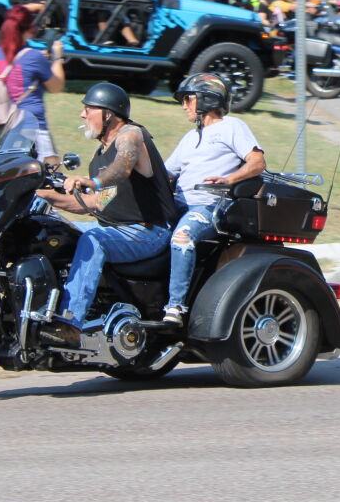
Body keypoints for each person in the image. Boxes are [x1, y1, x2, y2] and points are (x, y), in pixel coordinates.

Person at [36, 82, 178, 330]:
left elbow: (122, 167)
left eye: (88, 109)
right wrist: (43, 195)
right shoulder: (99, 158)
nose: (82, 114)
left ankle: (70, 322)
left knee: (95, 240)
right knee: (51, 229)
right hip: (119, 230)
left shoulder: (131, 135)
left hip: (148, 232)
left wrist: (91, 181)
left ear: (108, 114)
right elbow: (94, 203)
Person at [159, 73, 266, 325]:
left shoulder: (232, 127)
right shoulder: (190, 137)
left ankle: (176, 307)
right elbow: (166, 173)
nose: (184, 105)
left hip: (209, 205)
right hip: (178, 204)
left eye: (188, 99)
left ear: (207, 99)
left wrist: (229, 180)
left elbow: (257, 162)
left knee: (182, 237)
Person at [0, 4, 66, 160]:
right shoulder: (33, 57)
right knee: (48, 178)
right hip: (33, 129)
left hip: (1, 130)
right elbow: (56, 87)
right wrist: (57, 58)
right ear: (27, 29)